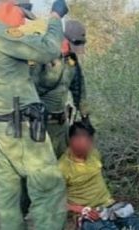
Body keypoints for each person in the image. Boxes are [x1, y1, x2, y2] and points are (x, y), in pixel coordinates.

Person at [0, 0, 70, 229]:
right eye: (22, 15)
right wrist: (54, 17)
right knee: (48, 189)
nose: (22, 22)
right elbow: (48, 48)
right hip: (22, 126)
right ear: (9, 5)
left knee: (9, 193)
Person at [58, 122, 139, 230]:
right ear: (73, 141)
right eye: (86, 141)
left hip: (109, 206)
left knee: (138, 224)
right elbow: (54, 202)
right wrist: (81, 209)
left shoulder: (94, 153)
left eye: (91, 141)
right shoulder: (62, 167)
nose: (90, 145)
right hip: (87, 214)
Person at [32, 20, 89, 158]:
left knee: (63, 165)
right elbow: (32, 86)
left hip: (61, 126)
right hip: (39, 125)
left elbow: (79, 88)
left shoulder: (72, 60)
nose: (74, 50)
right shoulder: (43, 53)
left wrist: (85, 114)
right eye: (74, 45)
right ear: (64, 39)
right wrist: (56, 67)